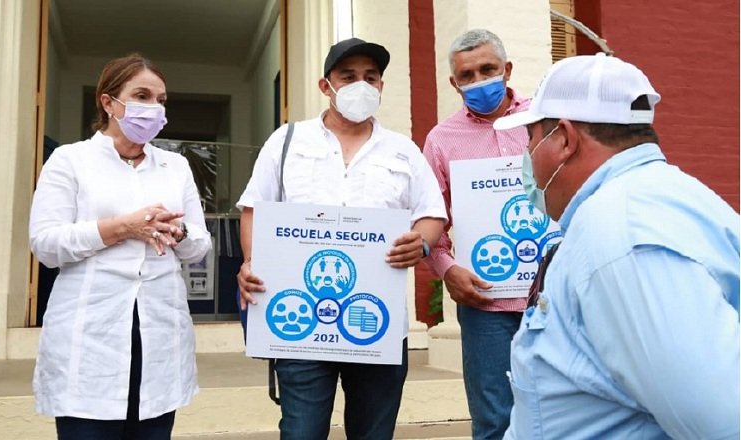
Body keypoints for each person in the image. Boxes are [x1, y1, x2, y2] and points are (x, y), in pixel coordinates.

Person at [493, 54, 740, 439]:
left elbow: (721, 423)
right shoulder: (664, 199)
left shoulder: (621, 240)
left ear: (563, 138)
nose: (526, 157)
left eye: (531, 138)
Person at [236, 37, 447, 439]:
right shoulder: (287, 141)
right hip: (299, 322)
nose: (361, 85)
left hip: (376, 324)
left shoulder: (402, 151)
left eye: (371, 77)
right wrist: (250, 263)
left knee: (373, 431)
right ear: (325, 85)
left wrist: (419, 242)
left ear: (382, 86)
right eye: (348, 77)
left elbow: (432, 215)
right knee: (301, 431)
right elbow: (255, 210)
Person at [29, 54, 212, 440]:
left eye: (161, 100)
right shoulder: (70, 161)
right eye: (142, 95)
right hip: (90, 333)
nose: (154, 108)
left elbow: (200, 244)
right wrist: (121, 228)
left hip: (158, 331)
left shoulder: (174, 167)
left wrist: (176, 233)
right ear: (108, 102)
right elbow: (46, 243)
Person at [422, 29, 531, 438]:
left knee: (566, 410)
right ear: (454, 82)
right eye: (467, 75)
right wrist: (447, 269)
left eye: (488, 69)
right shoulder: (440, 141)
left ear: (507, 69)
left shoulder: (545, 120)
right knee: (494, 419)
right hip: (484, 301)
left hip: (555, 296)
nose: (479, 80)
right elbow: (429, 217)